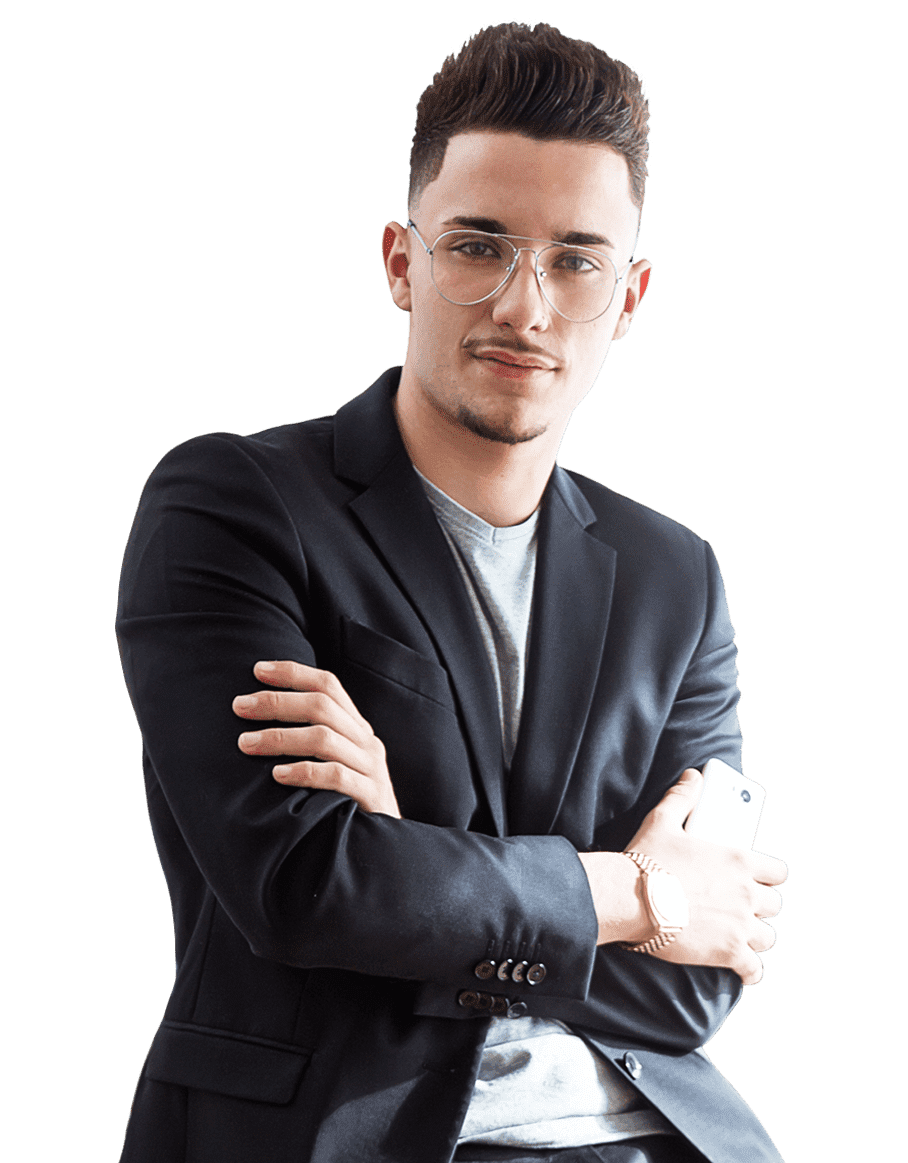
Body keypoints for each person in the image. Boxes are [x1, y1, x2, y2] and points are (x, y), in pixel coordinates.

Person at [115, 21, 788, 1163]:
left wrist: (415, 860)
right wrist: (635, 893)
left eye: (575, 261)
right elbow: (306, 887)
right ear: (401, 262)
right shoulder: (234, 504)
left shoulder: (674, 575)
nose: (526, 306)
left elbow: (696, 980)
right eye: (479, 246)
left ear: (627, 297)